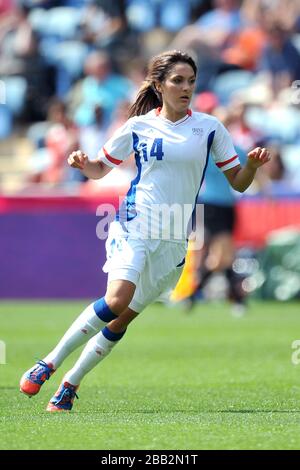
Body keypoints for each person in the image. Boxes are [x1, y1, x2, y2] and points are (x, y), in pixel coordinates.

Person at [19, 50, 270, 412]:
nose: (186, 88)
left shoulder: (210, 127)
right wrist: (84, 163)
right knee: (117, 299)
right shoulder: (137, 126)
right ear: (159, 85)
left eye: (191, 81)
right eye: (178, 80)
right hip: (135, 223)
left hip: (173, 238)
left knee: (122, 318)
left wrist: (251, 165)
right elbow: (99, 170)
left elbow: (240, 183)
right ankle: (49, 362)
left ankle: (70, 384)